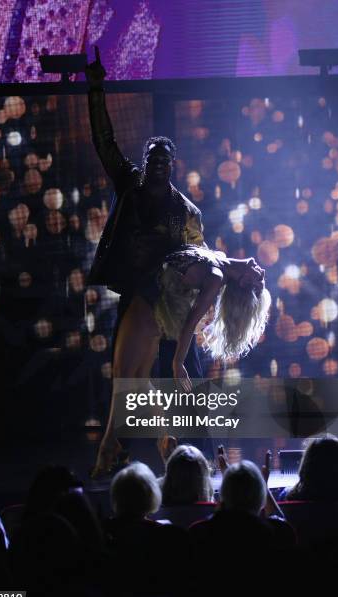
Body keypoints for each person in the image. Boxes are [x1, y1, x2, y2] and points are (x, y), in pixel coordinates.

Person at [93, 243, 270, 474]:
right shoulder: (219, 258)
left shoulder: (216, 277)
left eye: (259, 280)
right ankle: (160, 438)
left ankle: (115, 448)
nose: (263, 272)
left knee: (126, 378)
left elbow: (190, 323)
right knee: (131, 380)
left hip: (148, 305)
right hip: (150, 301)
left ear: (245, 282)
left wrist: (178, 363)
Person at [85, 45, 206, 380]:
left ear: (173, 165)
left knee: (180, 370)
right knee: (128, 372)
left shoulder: (186, 211)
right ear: (145, 160)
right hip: (133, 295)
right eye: (152, 159)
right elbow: (104, 141)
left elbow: (201, 257)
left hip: (169, 303)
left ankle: (194, 432)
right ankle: (129, 431)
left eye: (163, 160)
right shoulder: (129, 185)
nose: (157, 164)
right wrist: (96, 89)